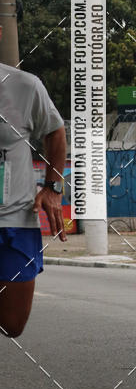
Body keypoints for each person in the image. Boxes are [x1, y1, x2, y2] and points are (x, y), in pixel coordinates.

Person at [0, 25, 67, 338]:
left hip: (15, 220)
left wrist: (52, 187)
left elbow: (55, 131)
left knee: (13, 324)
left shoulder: (24, 86)